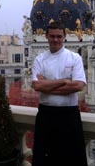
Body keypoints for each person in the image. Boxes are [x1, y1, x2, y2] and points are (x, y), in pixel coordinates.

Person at [31, 21, 88, 166]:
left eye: (58, 36)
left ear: (64, 37)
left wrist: (47, 86)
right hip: (46, 116)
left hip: (69, 116)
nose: (55, 40)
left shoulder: (74, 58)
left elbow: (79, 85)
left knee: (70, 160)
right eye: (52, 36)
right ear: (46, 37)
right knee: (44, 160)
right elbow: (37, 85)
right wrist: (65, 81)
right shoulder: (40, 59)